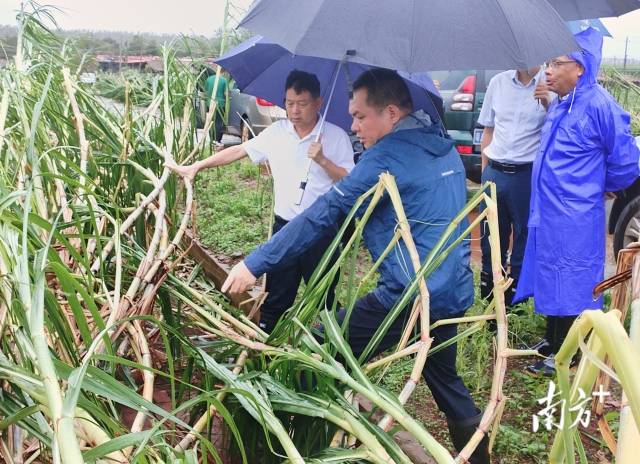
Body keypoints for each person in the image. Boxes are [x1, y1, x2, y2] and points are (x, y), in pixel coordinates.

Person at [222, 68, 490, 463]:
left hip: (408, 296)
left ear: (392, 114)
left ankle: (281, 448)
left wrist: (256, 262)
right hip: (452, 292)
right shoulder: (444, 147)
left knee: (313, 353)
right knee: (446, 382)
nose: (353, 125)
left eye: (361, 116)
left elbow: (325, 213)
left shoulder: (386, 157)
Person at [170, 70, 354, 333]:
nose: (294, 110)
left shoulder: (336, 136)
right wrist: (198, 166)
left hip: (321, 230)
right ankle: (267, 344)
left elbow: (349, 180)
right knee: (276, 295)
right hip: (284, 228)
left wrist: (323, 160)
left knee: (324, 294)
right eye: (290, 103)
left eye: (302, 104)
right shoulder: (277, 132)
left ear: (318, 102)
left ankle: (333, 348)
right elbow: (239, 150)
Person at [514, 28, 640, 376]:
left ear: (580, 67)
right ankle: (553, 340)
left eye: (556, 64)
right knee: (553, 274)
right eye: (547, 64)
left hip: (575, 215)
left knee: (573, 279)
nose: (547, 71)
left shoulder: (600, 105)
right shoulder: (562, 103)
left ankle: (570, 355)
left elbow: (627, 161)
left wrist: (602, 184)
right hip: (550, 212)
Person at [477, 67, 552, 308]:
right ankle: (490, 300)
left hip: (526, 175)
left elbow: (558, 130)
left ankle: (515, 304)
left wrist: (549, 103)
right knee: (491, 236)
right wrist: (484, 173)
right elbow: (488, 129)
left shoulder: (549, 86)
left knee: (524, 235)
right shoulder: (498, 82)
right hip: (494, 172)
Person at [204, 69, 229, 144]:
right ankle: (217, 139)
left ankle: (211, 138)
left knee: (210, 121)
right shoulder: (224, 80)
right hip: (220, 104)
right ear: (224, 72)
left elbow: (205, 92)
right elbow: (225, 93)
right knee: (219, 122)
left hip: (209, 103)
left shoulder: (209, 79)